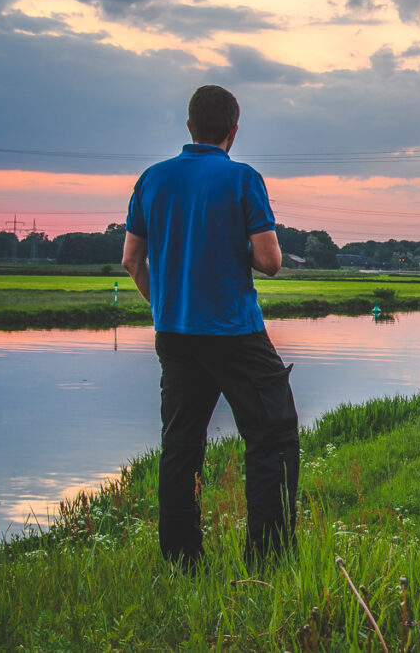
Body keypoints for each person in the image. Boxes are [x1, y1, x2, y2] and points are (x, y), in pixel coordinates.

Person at [122, 84, 299, 572]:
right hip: (233, 330)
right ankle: (269, 559)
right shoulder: (242, 178)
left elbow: (131, 260)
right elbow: (270, 261)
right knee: (273, 434)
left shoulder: (152, 180)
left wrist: (165, 306)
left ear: (189, 127)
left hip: (174, 333)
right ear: (234, 130)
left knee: (180, 441)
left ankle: (181, 560)